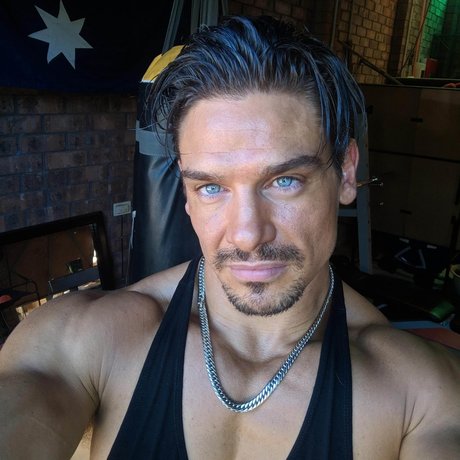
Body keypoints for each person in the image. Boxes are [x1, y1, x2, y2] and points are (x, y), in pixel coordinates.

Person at [1, 15, 459, 460]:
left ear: (346, 172)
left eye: (284, 181)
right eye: (211, 187)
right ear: (185, 192)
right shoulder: (83, 341)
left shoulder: (420, 395)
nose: (247, 235)